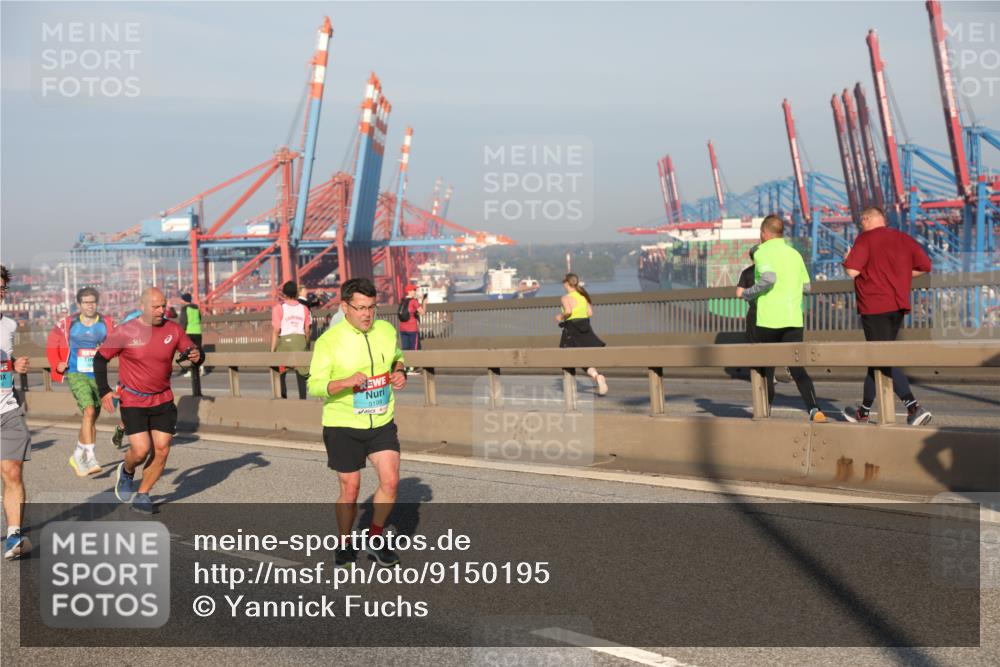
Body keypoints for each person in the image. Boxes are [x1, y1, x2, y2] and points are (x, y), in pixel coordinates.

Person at [307, 277, 407, 568]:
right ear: (345, 307)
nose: (367, 314)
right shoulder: (329, 341)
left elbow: (397, 359)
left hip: (381, 420)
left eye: (372, 308)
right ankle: (344, 542)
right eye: (360, 308)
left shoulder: (386, 331)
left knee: (391, 480)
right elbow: (314, 385)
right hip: (343, 424)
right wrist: (346, 382)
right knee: (350, 490)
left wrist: (400, 372)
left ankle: (375, 540)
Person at [94, 287, 201, 514]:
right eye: (155, 307)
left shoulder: (173, 329)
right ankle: (127, 469)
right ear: (142, 307)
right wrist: (104, 390)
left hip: (163, 399)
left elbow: (192, 351)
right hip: (133, 400)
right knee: (141, 451)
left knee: (162, 449)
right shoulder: (126, 332)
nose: (161, 310)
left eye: (163, 305)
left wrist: (197, 355)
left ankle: (143, 493)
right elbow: (100, 358)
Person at [842, 206, 933, 426]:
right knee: (877, 360)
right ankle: (863, 412)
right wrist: (900, 274)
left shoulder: (865, 239)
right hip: (898, 306)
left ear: (867, 219)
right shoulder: (903, 238)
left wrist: (846, 259)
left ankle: (913, 407)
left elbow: (852, 272)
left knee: (882, 359)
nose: (860, 225)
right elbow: (925, 266)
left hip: (874, 306)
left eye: (861, 221)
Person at [737, 215, 826, 422]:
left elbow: (769, 278)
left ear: (763, 234)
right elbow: (807, 287)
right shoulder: (795, 253)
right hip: (794, 317)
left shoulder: (762, 251)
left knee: (766, 367)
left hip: (769, 319)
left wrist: (749, 294)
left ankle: (765, 410)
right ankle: (814, 409)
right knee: (796, 365)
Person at [46, 287, 116, 477]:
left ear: (97, 303)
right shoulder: (68, 323)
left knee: (90, 418)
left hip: (97, 375)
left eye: (92, 302)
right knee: (89, 410)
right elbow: (52, 343)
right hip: (76, 372)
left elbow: (116, 344)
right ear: (79, 305)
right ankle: (90, 457)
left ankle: (77, 455)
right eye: (85, 302)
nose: (89, 305)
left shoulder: (106, 323)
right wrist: (57, 364)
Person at [1, 266, 32, 559]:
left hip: (7, 408)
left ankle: (13, 536)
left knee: (12, 470)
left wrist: (14, 366)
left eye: (1, 288)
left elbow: (6, 364)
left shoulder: (9, 325)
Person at [555, 273, 608, 396]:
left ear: (566, 283)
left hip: (572, 330)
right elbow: (589, 313)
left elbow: (568, 311)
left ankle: (570, 390)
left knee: (566, 358)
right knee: (584, 359)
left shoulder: (565, 298)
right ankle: (597, 376)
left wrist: (560, 316)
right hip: (585, 328)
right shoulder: (583, 296)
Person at [109, 306, 143, 450]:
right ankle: (121, 430)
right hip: (128, 383)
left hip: (149, 383)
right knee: (130, 416)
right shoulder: (125, 338)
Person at [271, 281, 311, 400]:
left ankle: (283, 398)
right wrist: (306, 344)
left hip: (284, 345)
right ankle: (302, 399)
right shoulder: (304, 308)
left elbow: (276, 330)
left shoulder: (279, 308)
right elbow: (307, 330)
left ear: (284, 294)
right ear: (297, 293)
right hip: (300, 342)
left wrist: (272, 350)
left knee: (281, 372)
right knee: (301, 372)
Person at [397, 284, 426, 374]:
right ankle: (412, 368)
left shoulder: (403, 300)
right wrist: (424, 302)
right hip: (412, 328)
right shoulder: (414, 301)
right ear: (409, 291)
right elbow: (422, 312)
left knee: (405, 348)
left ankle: (406, 367)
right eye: (413, 290)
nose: (415, 291)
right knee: (414, 348)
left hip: (402, 328)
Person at [178, 293, 203, 377]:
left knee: (191, 352)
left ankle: (192, 371)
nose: (180, 301)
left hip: (189, 331)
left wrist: (182, 332)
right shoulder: (196, 308)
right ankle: (201, 368)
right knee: (198, 350)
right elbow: (199, 318)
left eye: (181, 299)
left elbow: (183, 322)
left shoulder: (185, 308)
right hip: (198, 331)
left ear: (184, 300)